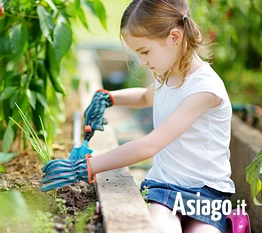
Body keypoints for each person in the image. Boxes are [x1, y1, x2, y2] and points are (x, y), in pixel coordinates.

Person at [41, 0, 236, 232]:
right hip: (165, 189)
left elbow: (149, 145)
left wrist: (84, 168)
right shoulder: (170, 73)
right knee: (161, 228)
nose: (142, 61)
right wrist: (109, 97)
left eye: (145, 52)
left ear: (175, 37)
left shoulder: (205, 89)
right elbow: (146, 97)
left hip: (207, 194)